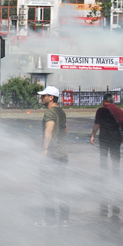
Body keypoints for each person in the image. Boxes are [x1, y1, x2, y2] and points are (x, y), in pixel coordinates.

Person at [36, 86, 69, 227]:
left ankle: (49, 220)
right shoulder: (61, 112)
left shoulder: (49, 113)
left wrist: (44, 151)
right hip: (62, 154)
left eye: (44, 95)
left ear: (51, 98)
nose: (41, 98)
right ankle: (64, 219)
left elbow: (49, 130)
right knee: (61, 187)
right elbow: (65, 130)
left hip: (52, 155)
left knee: (47, 188)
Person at [90, 93, 123, 218]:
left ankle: (104, 179)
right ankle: (115, 178)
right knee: (115, 159)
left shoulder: (101, 110)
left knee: (103, 159)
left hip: (105, 139)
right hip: (116, 139)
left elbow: (97, 125)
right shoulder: (119, 110)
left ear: (104, 101)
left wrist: (93, 135)